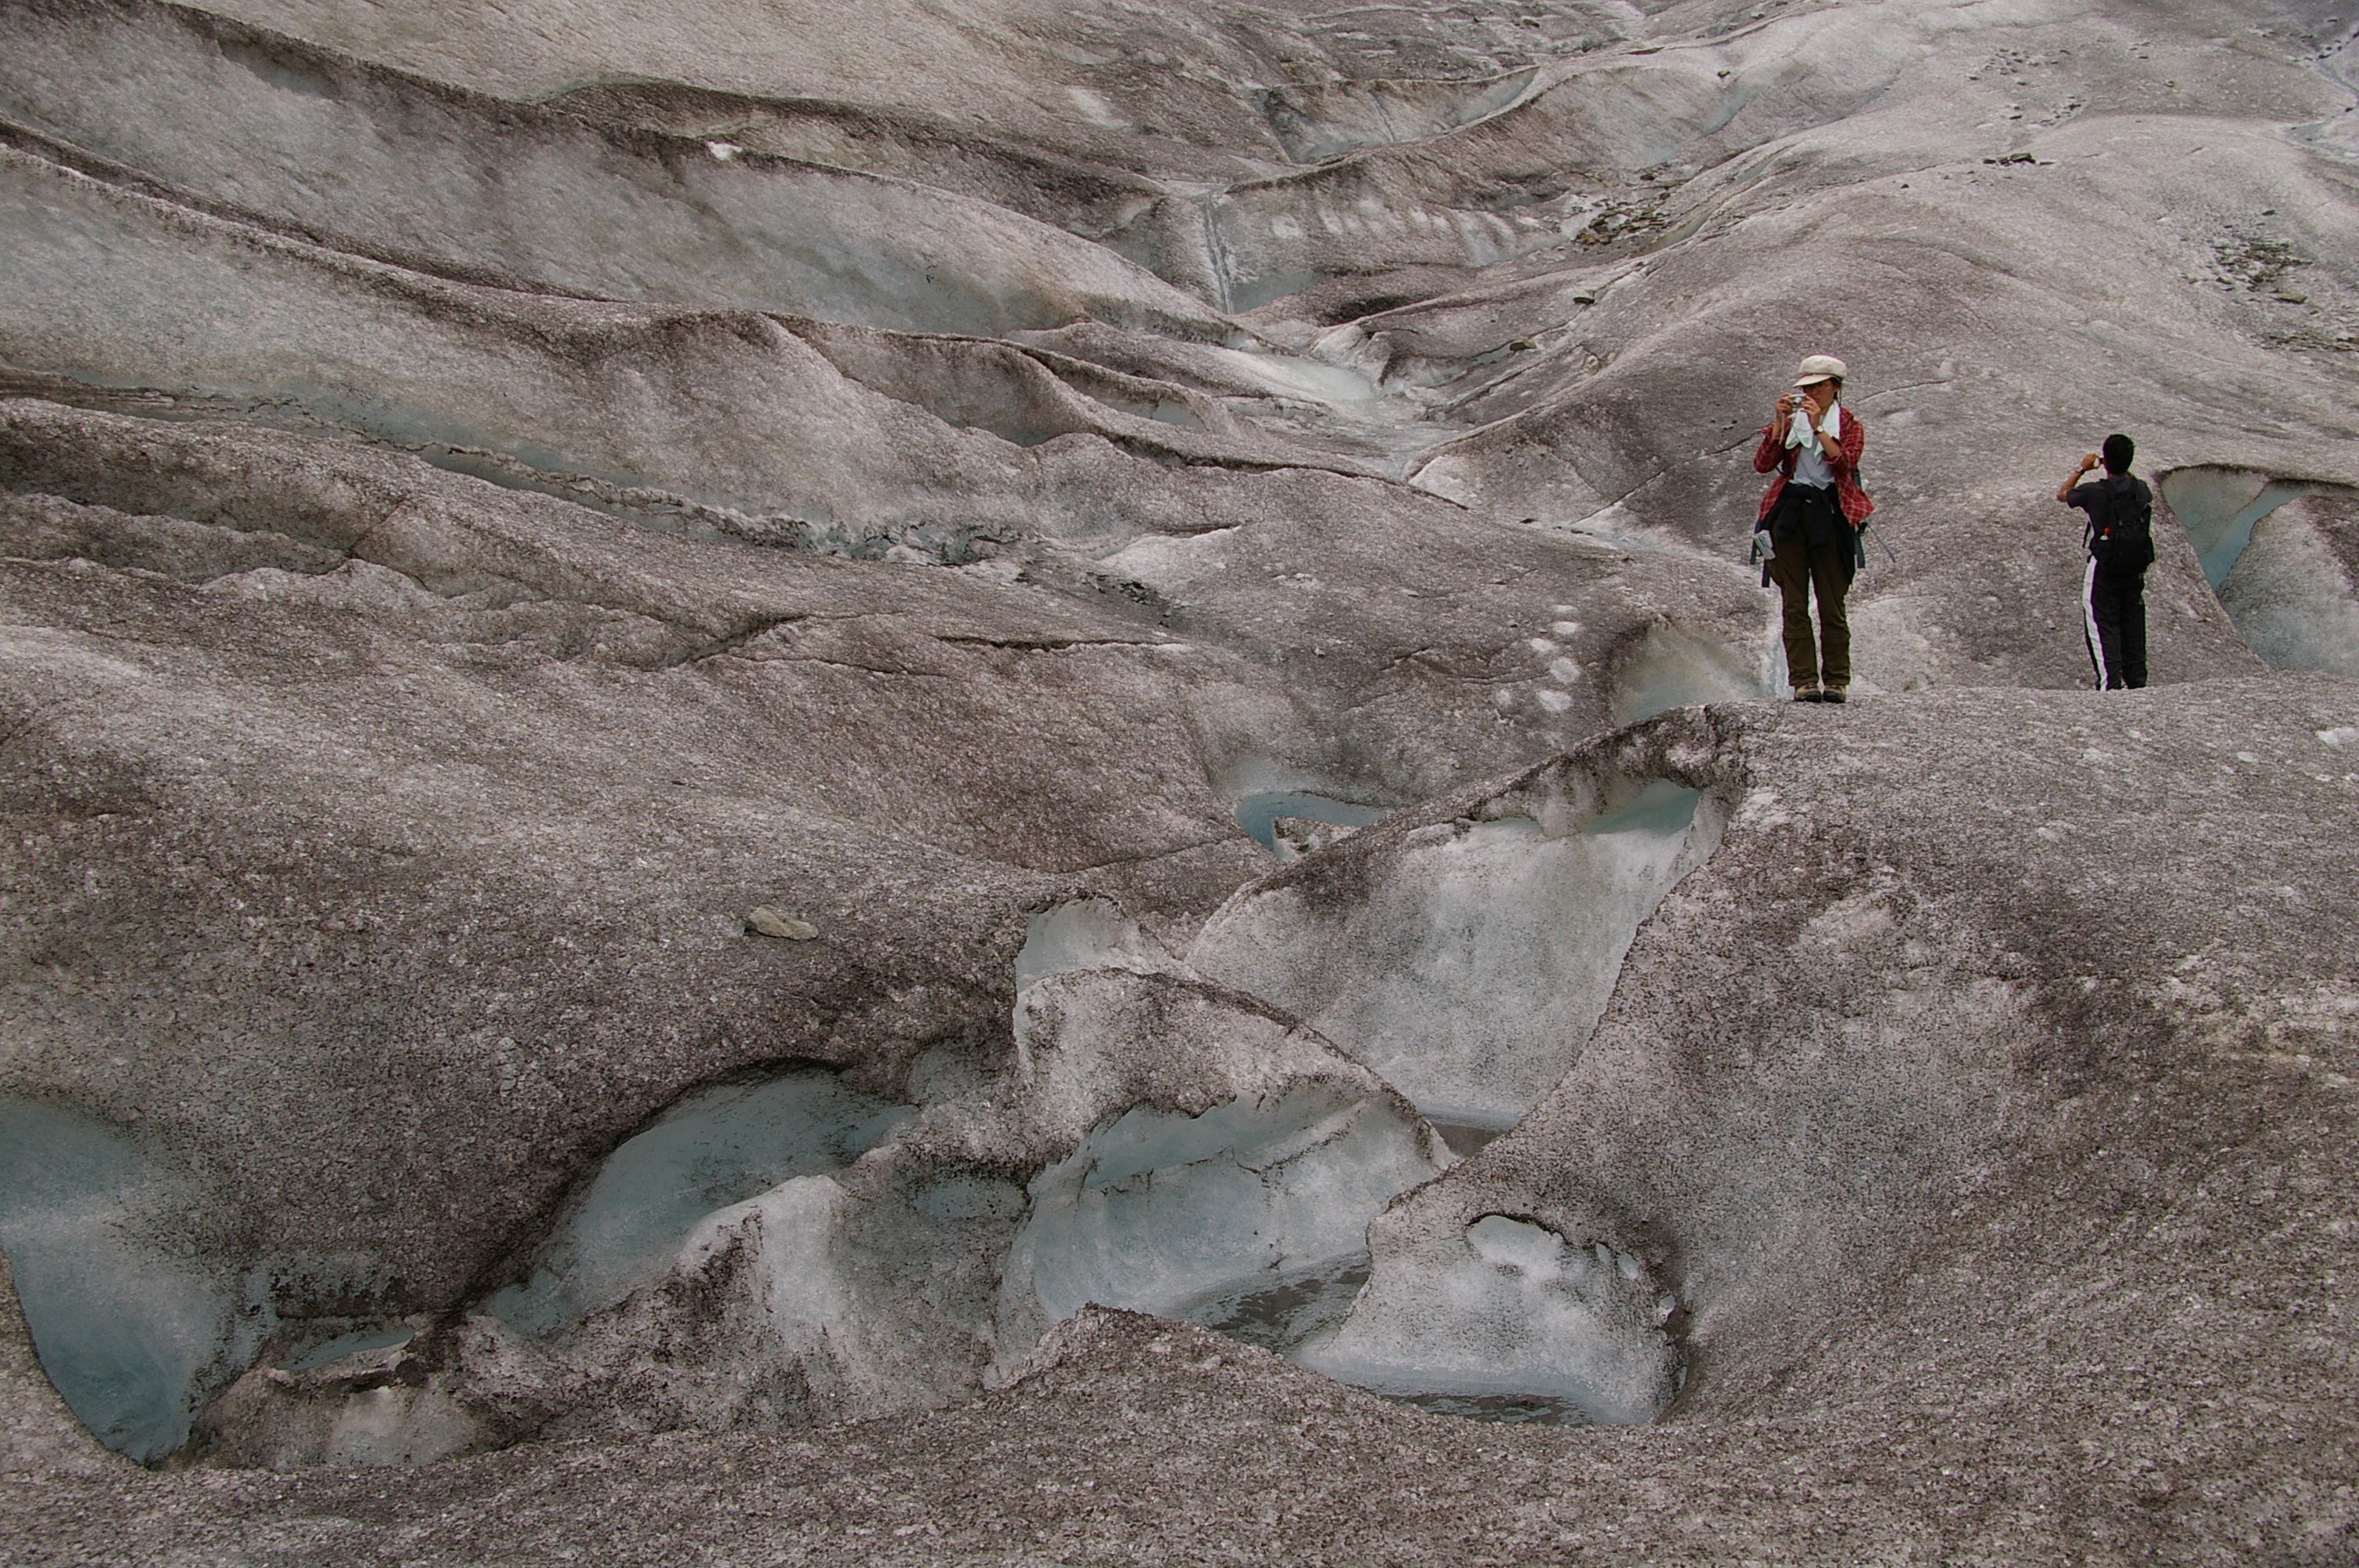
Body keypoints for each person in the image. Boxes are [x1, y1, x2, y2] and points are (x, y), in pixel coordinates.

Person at [1753, 354, 1874, 702]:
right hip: (1791, 515)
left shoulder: (1849, 424)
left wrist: (1818, 427)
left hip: (1830, 516)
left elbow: (1845, 463)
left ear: (1835, 387)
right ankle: (1804, 681)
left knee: (1831, 603)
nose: (1811, 393)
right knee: (1794, 603)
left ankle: (1836, 680)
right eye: (1807, 388)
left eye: (1819, 386)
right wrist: (1780, 422)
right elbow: (1763, 464)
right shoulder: (1792, 423)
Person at [2057, 434, 2154, 690]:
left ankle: (2109, 686)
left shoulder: (2094, 491)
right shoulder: (2142, 489)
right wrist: (2117, 464)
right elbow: (2129, 480)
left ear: (2105, 461)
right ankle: (2137, 683)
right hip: (2134, 571)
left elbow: (2063, 495)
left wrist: (2081, 469)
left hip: (2104, 569)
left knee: (2102, 625)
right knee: (2132, 625)